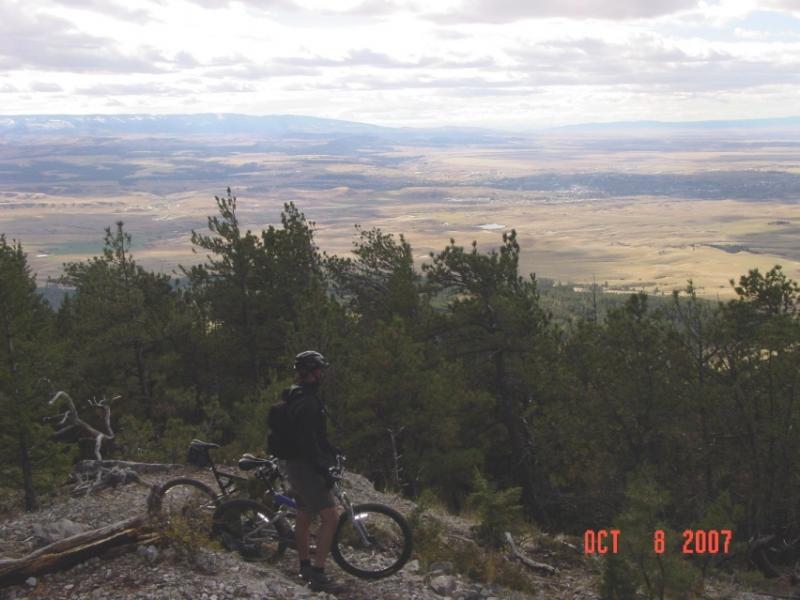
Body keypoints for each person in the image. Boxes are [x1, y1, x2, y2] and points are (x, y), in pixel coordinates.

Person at [283, 350, 344, 593]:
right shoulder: (308, 402)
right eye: (318, 370)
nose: (321, 374)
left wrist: (331, 450)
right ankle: (317, 573)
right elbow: (309, 442)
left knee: (304, 513)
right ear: (311, 372)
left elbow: (315, 436)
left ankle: (305, 565)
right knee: (330, 517)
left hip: (294, 465)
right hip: (304, 467)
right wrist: (323, 469)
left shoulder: (296, 395)